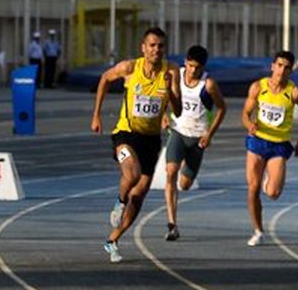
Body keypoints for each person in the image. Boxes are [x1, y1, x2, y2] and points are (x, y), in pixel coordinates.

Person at [91, 27, 181, 263]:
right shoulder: (129, 68)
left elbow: (178, 110)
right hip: (125, 133)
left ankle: (112, 240)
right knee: (131, 173)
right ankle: (120, 202)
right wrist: (96, 115)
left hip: (151, 140)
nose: (156, 50)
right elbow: (104, 79)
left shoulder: (170, 71)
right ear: (143, 47)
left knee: (139, 196)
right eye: (152, 45)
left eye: (160, 45)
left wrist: (171, 91)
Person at [243, 51, 298, 246]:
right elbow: (245, 114)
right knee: (252, 189)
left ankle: (267, 180)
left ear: (291, 70)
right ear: (272, 66)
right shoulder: (258, 87)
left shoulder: (294, 92)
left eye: (287, 67)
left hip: (279, 145)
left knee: (272, 193)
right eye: (279, 65)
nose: (282, 70)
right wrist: (249, 125)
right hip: (257, 141)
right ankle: (258, 230)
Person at [162, 44, 226, 240]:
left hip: (197, 138)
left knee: (185, 184)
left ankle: (185, 167)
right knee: (170, 172)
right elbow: (164, 95)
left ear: (203, 67)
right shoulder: (175, 76)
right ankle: (172, 225)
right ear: (185, 63)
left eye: (197, 68)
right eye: (190, 66)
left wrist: (209, 134)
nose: (193, 71)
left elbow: (222, 109)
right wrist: (164, 114)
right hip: (178, 131)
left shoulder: (208, 85)